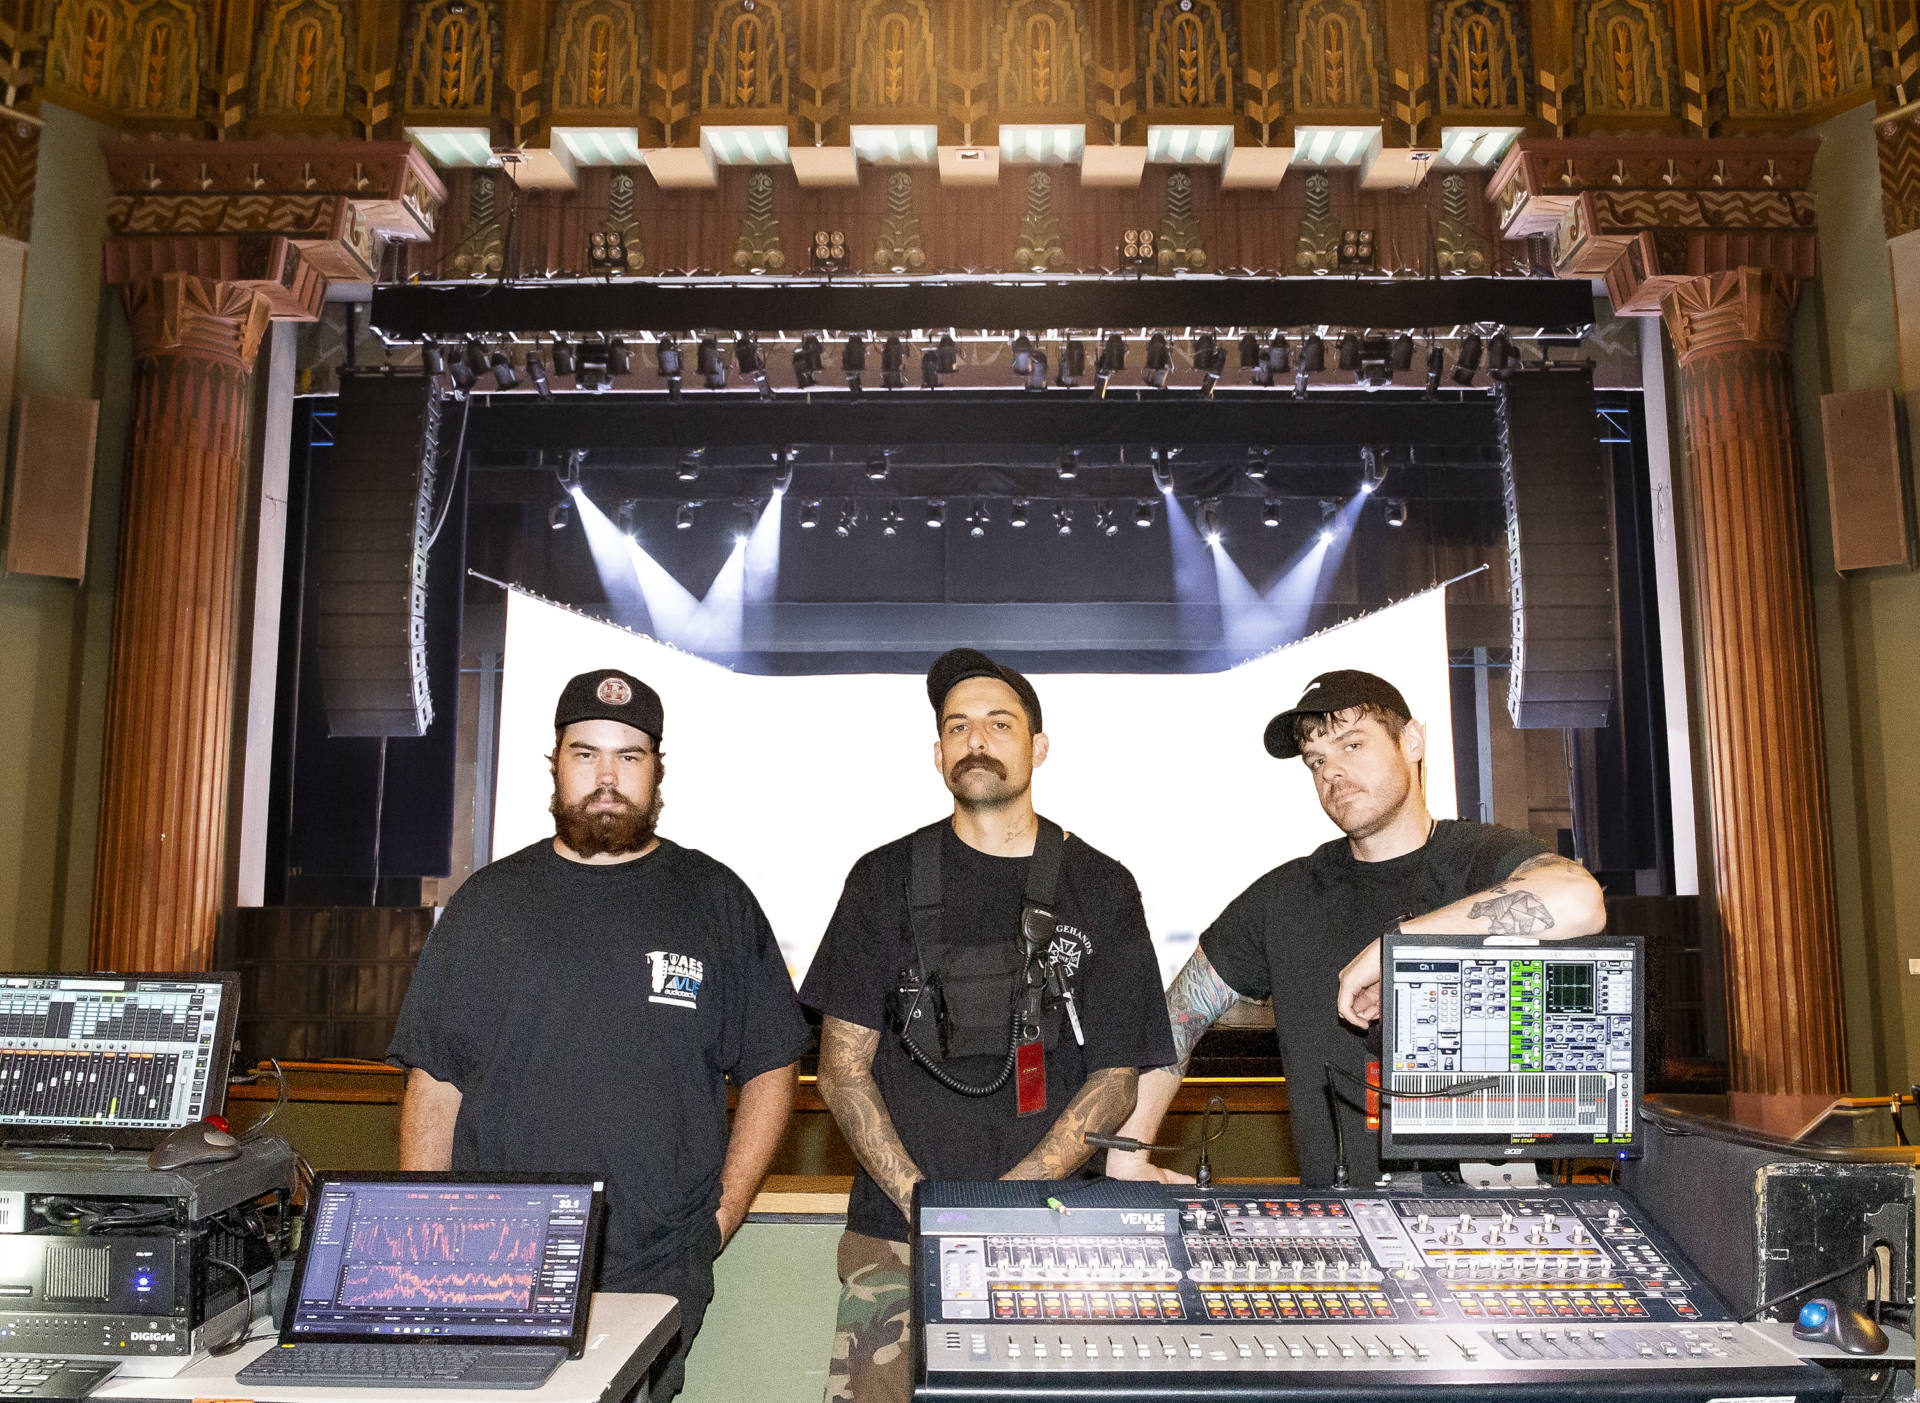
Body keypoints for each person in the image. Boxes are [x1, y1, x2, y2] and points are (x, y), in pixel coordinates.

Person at [388, 668, 808, 1402]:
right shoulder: (484, 906)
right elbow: (435, 1082)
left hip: (655, 1266)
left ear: (658, 771)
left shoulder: (716, 900)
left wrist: (719, 1219)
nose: (606, 776)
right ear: (554, 763)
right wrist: (428, 1244)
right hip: (491, 1267)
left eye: (629, 756)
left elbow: (773, 1065)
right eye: (585, 753)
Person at [800, 648, 1174, 1403]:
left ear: (1038, 747)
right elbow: (841, 1068)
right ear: (937, 752)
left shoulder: (1101, 884)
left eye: (1000, 723)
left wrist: (1009, 1205)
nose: (977, 739)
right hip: (894, 1241)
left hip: (1057, 1238)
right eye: (958, 725)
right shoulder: (880, 878)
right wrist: (924, 1204)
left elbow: (1116, 1076)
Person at [1107, 668, 1607, 1188]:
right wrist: (1126, 1156)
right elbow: (1174, 1020)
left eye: (1352, 744)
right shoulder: (1283, 898)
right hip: (1338, 1225)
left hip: (1491, 1221)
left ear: (1411, 741)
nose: (1332, 773)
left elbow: (1580, 900)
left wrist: (1403, 947)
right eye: (1317, 760)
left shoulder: (1481, 859)